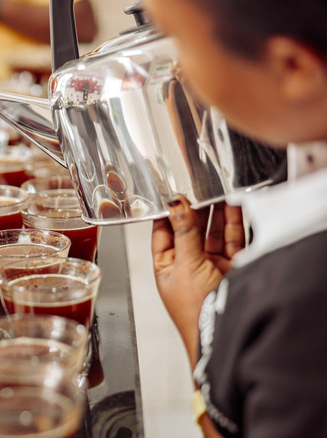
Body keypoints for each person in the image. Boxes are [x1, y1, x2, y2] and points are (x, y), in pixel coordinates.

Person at [144, 0, 327, 436]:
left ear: (293, 68)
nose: (179, 71)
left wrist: (203, 335)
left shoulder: (300, 303)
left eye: (184, 44)